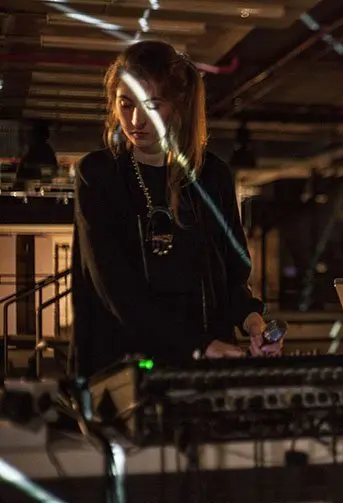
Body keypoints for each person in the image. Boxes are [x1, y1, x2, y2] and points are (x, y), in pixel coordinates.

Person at [72, 41, 282, 378]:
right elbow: (115, 288)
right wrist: (199, 346)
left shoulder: (212, 176)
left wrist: (253, 322)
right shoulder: (99, 175)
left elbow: (232, 277)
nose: (136, 120)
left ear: (178, 106)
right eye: (126, 105)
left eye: (152, 105)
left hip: (205, 368)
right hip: (122, 369)